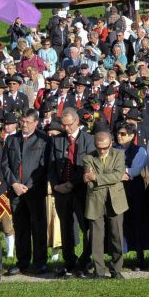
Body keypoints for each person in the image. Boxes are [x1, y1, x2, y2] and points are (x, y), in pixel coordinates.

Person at [49, 107, 94, 277]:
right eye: (63, 125)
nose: (65, 128)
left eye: (68, 125)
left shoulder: (88, 140)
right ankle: (69, 261)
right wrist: (56, 185)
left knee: (86, 226)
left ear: (76, 122)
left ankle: (85, 260)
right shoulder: (57, 140)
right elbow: (51, 165)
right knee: (66, 227)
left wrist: (71, 183)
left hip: (81, 190)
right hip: (61, 191)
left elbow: (86, 166)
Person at [82, 127, 128, 279]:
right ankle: (99, 271)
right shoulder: (87, 158)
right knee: (96, 238)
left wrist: (96, 178)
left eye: (105, 148)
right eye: (99, 148)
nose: (102, 151)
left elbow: (118, 175)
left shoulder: (119, 154)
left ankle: (116, 269)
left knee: (117, 237)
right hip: (95, 201)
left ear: (111, 144)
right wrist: (108, 178)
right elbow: (88, 181)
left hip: (116, 201)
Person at [114, 121, 149, 270]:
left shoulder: (139, 151)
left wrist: (118, 174)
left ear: (131, 136)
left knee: (137, 222)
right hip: (118, 189)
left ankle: (140, 256)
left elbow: (135, 170)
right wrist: (119, 175)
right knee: (119, 223)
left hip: (134, 190)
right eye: (118, 133)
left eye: (123, 134)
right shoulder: (114, 150)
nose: (119, 136)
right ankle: (118, 256)